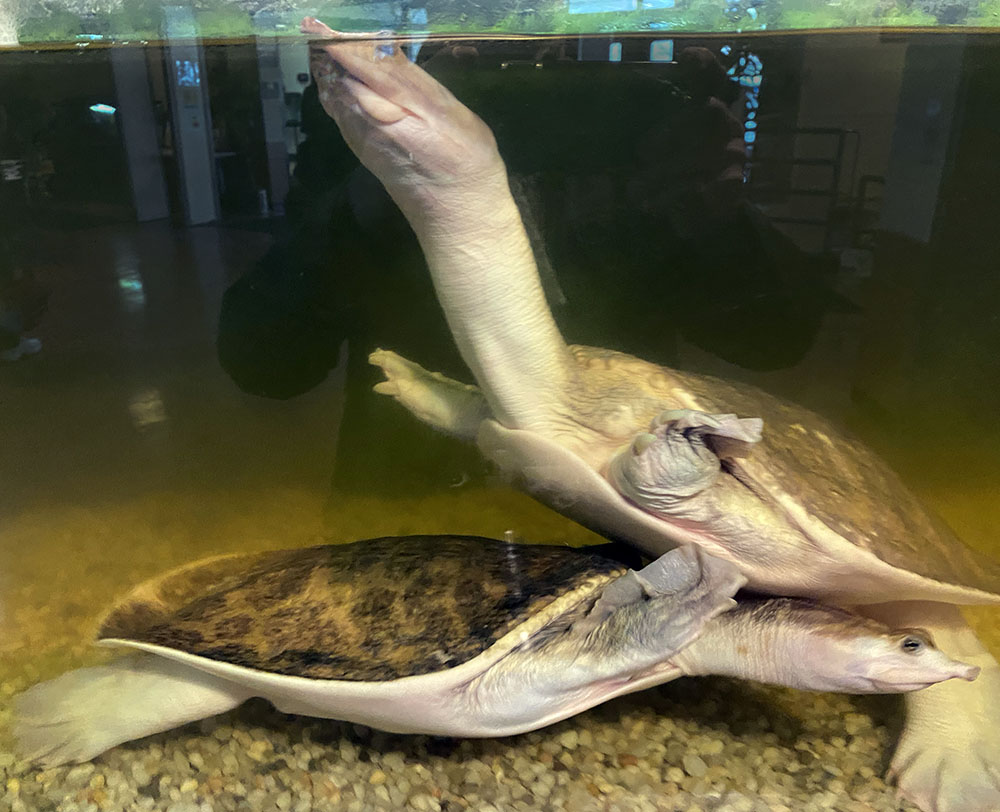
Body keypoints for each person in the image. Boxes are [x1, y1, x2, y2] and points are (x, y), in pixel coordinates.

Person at [217, 40, 837, 496]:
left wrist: (713, 215)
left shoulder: (635, 118)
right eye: (479, 41)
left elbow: (775, 340)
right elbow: (265, 364)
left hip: (621, 507)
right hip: (408, 504)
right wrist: (366, 199)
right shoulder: (371, 119)